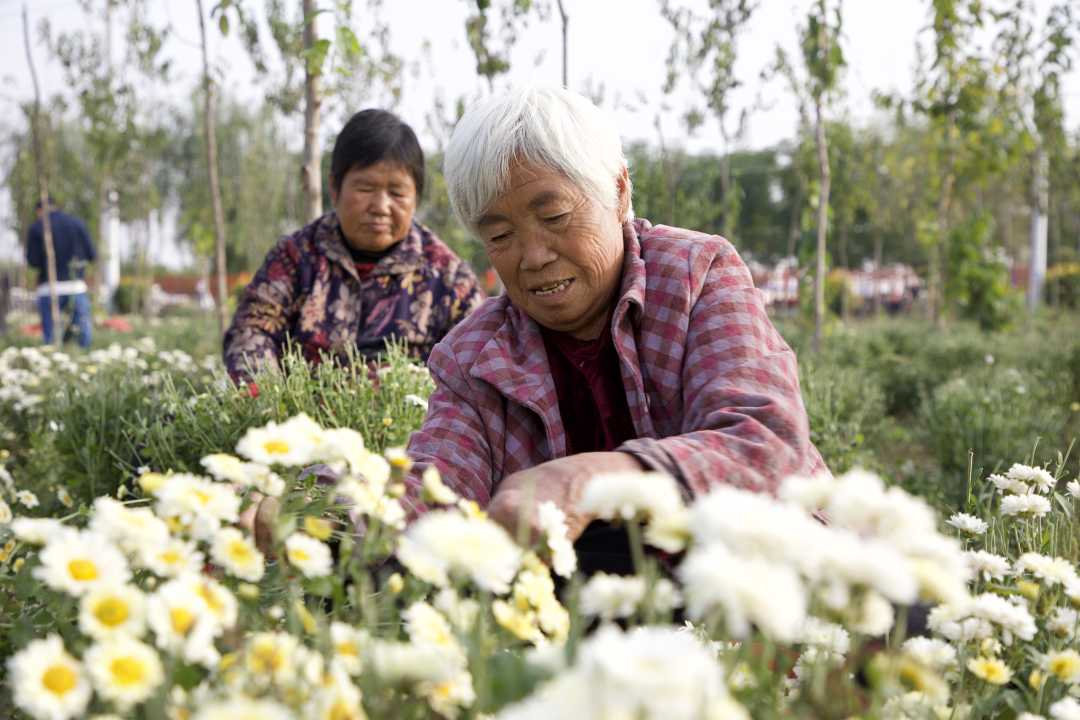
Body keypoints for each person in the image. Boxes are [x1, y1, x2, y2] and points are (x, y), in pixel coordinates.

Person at [401, 86, 829, 568]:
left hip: (755, 580)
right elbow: (435, 483)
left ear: (618, 191)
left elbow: (763, 445)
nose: (534, 257)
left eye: (555, 217)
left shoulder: (696, 277)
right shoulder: (474, 358)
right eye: (500, 235)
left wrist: (589, 479)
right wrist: (351, 509)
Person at [223, 109, 485, 380]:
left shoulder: (449, 278)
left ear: (415, 198)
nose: (380, 207)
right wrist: (269, 393)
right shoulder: (295, 258)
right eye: (365, 189)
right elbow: (251, 330)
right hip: (303, 406)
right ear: (334, 188)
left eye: (396, 192)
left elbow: (475, 361)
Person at [26, 198, 95, 348]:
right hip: (75, 286)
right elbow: (91, 254)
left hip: (48, 288)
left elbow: (32, 261)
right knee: (82, 337)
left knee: (51, 341)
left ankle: (54, 354)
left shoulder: (37, 227)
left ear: (39, 211)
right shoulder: (77, 224)